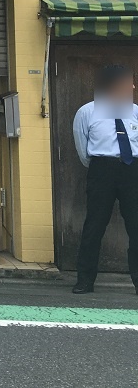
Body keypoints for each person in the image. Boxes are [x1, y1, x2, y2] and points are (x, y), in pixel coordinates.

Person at [71, 64, 138, 294]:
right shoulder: (87, 112)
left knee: (136, 226)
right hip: (102, 169)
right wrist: (100, 166)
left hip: (132, 170)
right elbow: (82, 146)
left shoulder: (136, 111)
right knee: (95, 225)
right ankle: (85, 280)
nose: (132, 86)